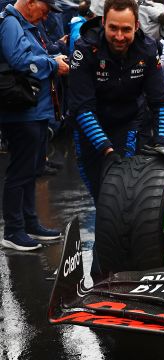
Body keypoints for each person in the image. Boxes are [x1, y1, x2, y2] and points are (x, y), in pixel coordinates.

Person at [68, 0, 164, 200]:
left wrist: (162, 143)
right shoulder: (85, 49)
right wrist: (107, 148)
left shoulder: (148, 49)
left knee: (124, 188)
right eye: (113, 28)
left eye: (126, 29)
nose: (119, 36)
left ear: (137, 27)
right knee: (99, 192)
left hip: (128, 121)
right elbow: (82, 108)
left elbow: (160, 102)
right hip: (89, 122)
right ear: (104, 22)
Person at [0, 0, 69, 250]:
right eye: (46, 9)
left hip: (36, 111)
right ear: (31, 3)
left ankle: (30, 223)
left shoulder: (24, 24)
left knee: (31, 170)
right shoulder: (10, 23)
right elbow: (20, 61)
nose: (46, 16)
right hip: (21, 112)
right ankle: (13, 230)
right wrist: (52, 64)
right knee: (20, 172)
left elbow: (32, 55)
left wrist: (52, 57)